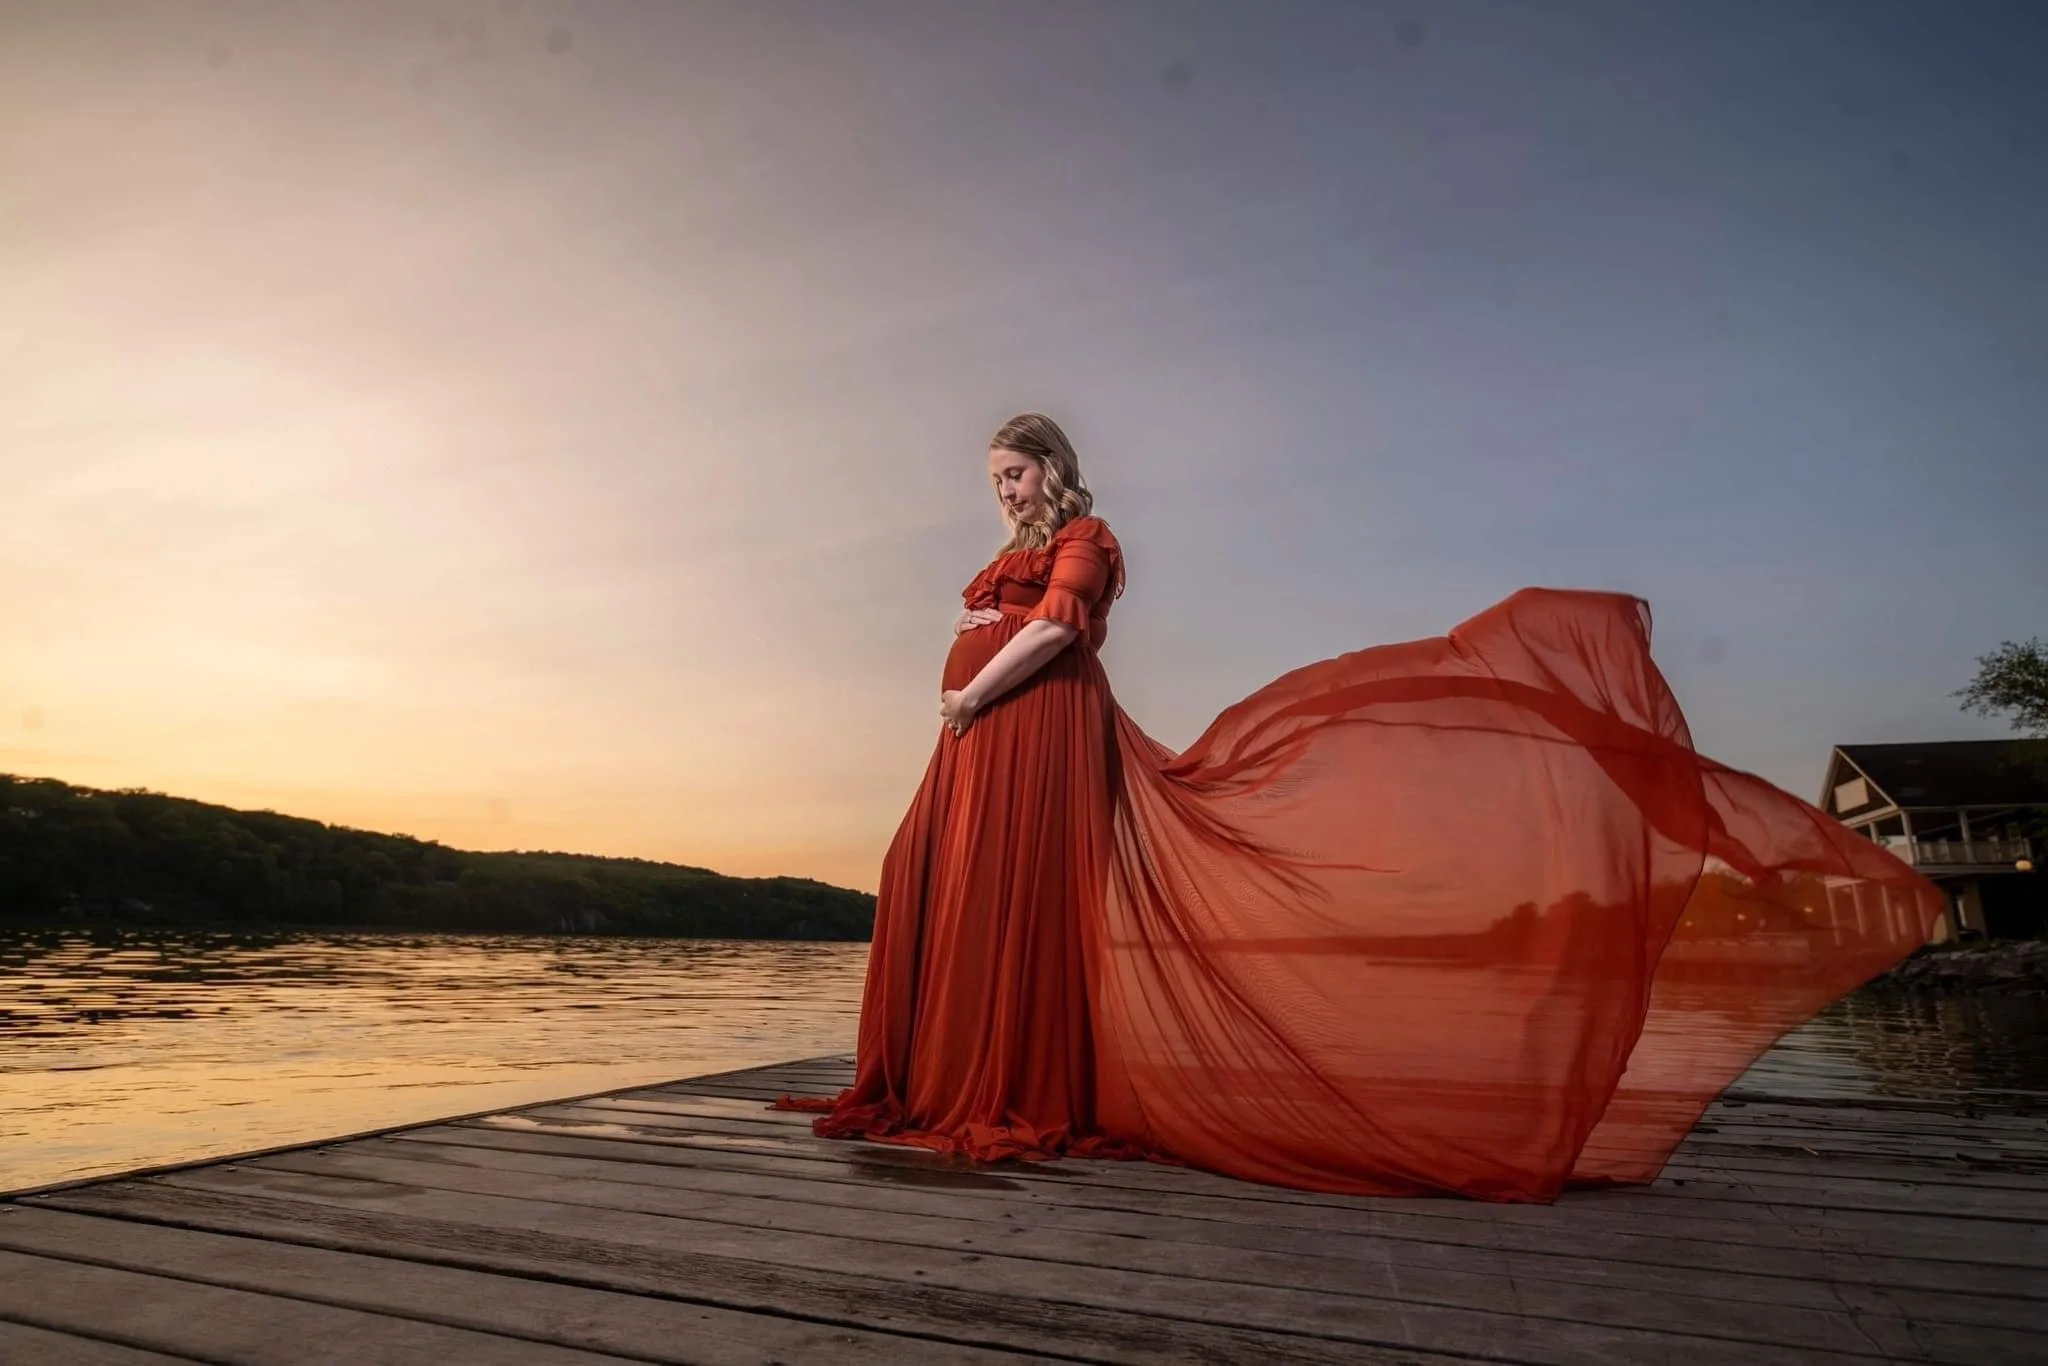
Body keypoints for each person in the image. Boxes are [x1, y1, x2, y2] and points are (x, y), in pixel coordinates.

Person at [776, 413, 1942, 1203]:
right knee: (928, 872)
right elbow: (1009, 617)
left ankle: (1006, 1078)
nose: (1005, 491)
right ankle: (940, 1071)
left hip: (1028, 729)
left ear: (1054, 468)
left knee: (1009, 896)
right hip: (981, 736)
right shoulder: (1013, 548)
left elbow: (1057, 630)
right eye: (993, 480)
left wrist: (970, 689)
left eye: (1016, 474)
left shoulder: (1086, 537)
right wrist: (971, 678)